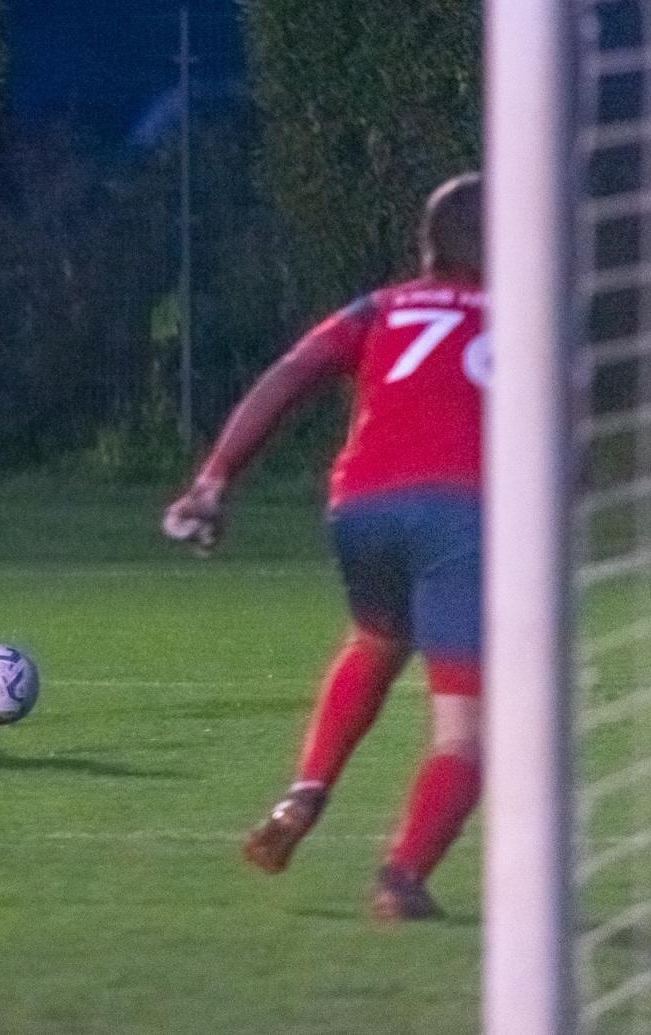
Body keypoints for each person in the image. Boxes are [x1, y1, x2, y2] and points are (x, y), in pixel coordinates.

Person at [163, 173, 486, 920]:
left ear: (427, 245)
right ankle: (402, 877)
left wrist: (214, 479)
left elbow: (290, 375)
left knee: (377, 638)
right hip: (460, 515)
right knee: (465, 730)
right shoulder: (525, 316)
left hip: (360, 507)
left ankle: (304, 792)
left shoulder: (381, 306)